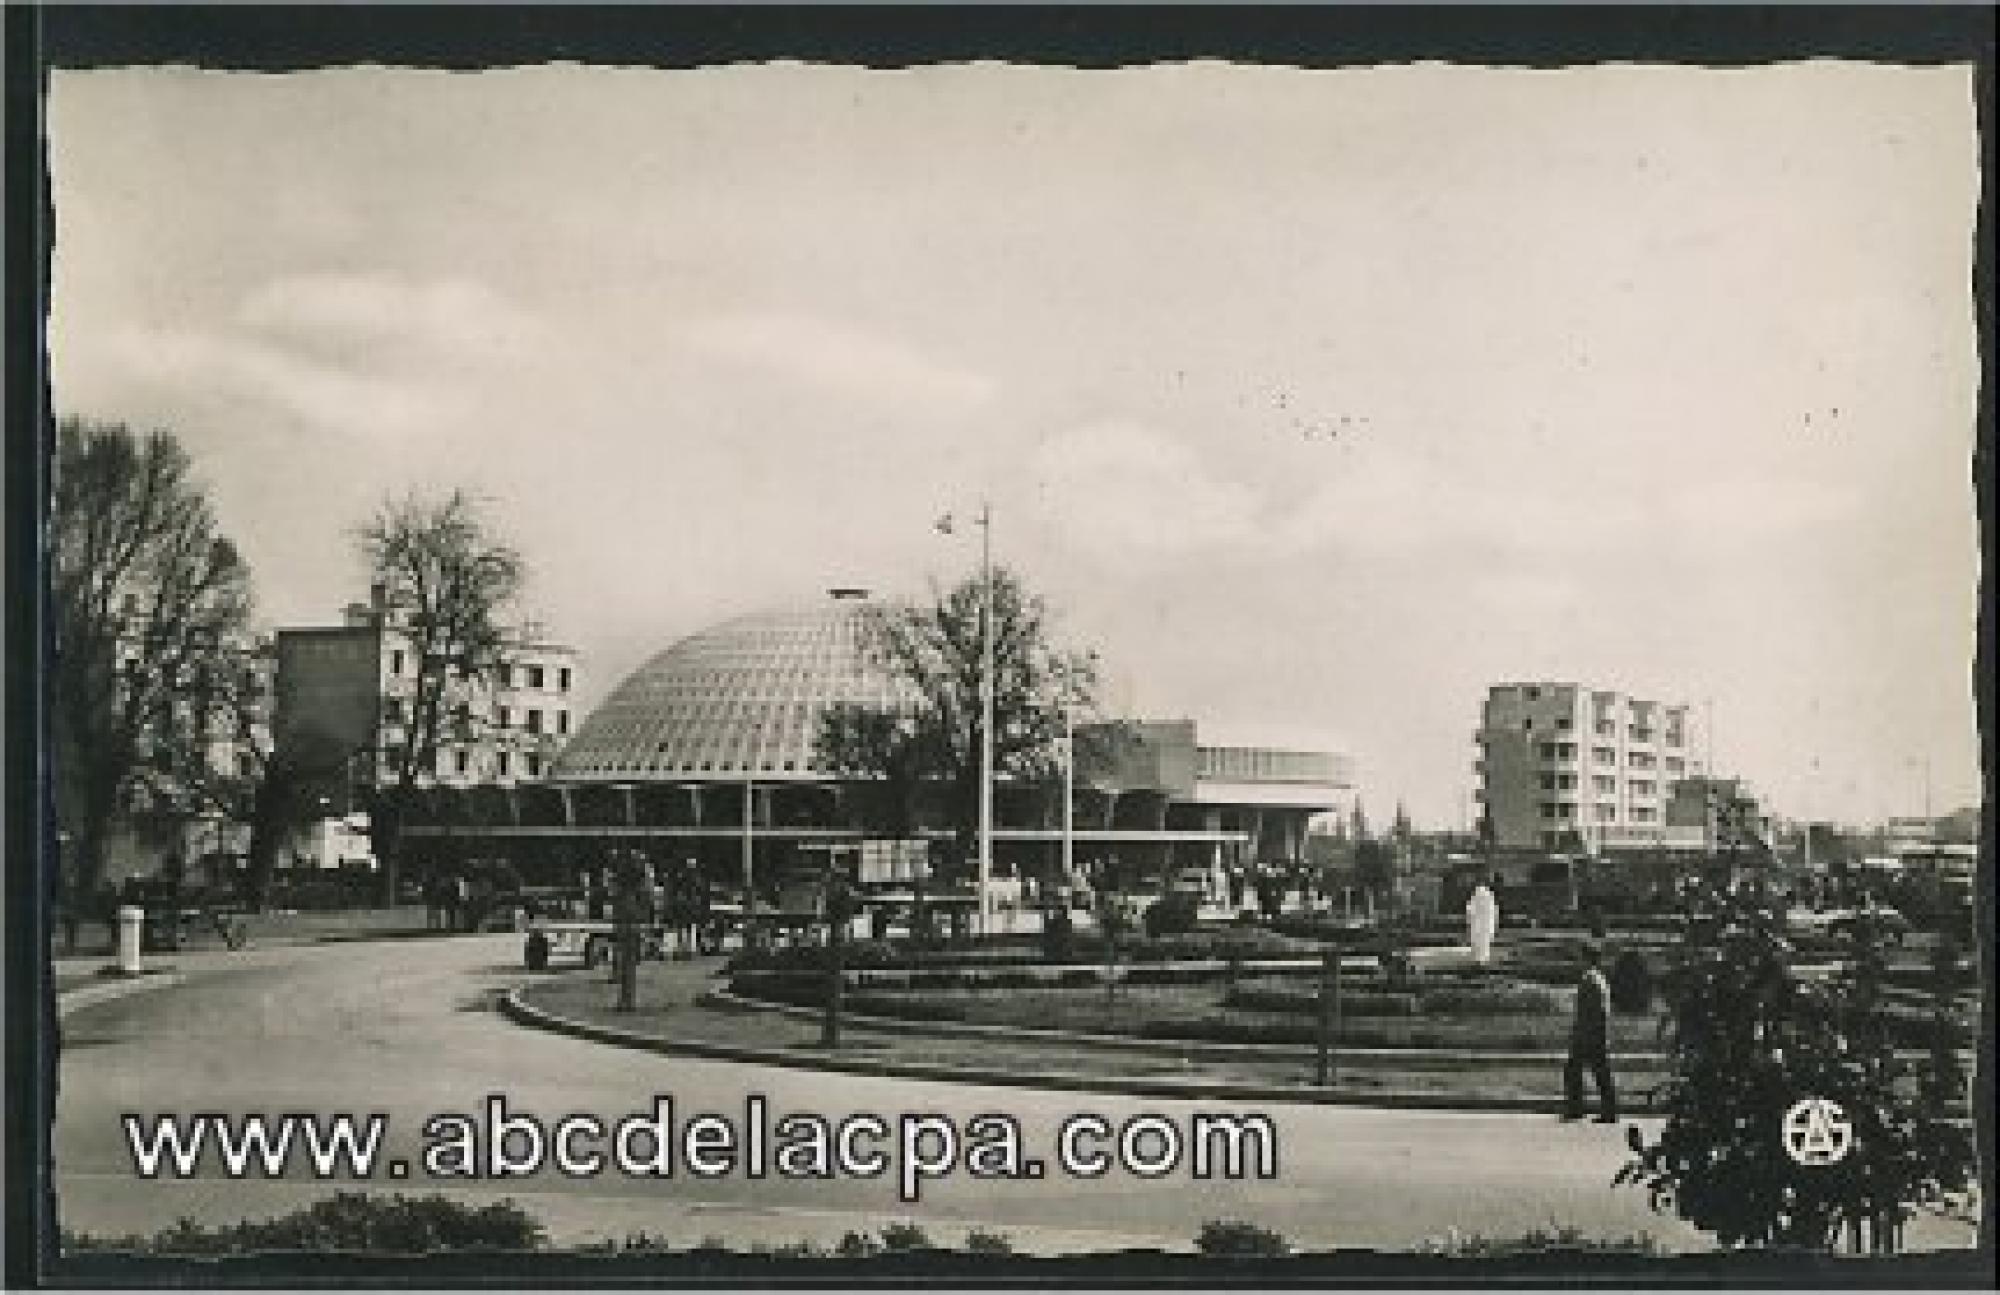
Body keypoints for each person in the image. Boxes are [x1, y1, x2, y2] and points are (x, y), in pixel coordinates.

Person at [1564, 942, 1618, 1123]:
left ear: (1587, 958)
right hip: (1595, 1033)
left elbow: (1593, 1011)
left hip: (1589, 1035)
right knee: (1599, 1072)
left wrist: (1582, 1033)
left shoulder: (1590, 980)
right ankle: (1607, 1110)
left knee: (1576, 1071)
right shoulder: (1598, 979)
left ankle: (1577, 1109)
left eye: (1581, 957)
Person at [1465, 877, 1500, 966]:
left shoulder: (1476, 896)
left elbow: (1470, 909)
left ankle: (1479, 958)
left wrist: (1469, 919)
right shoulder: (1489, 896)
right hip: (1484, 922)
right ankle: (1482, 958)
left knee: (1479, 940)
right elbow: (1494, 910)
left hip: (1479, 922)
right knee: (1483, 940)